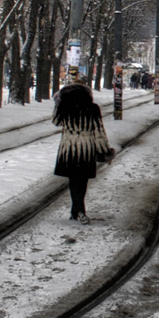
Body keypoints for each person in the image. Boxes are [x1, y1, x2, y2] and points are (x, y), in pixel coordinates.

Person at [53, 75, 116, 222]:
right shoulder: (93, 108)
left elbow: (56, 122)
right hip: (86, 149)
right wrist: (105, 151)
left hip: (69, 148)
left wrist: (57, 103)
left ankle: (76, 211)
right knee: (82, 180)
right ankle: (79, 211)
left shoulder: (65, 106)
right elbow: (99, 132)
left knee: (73, 180)